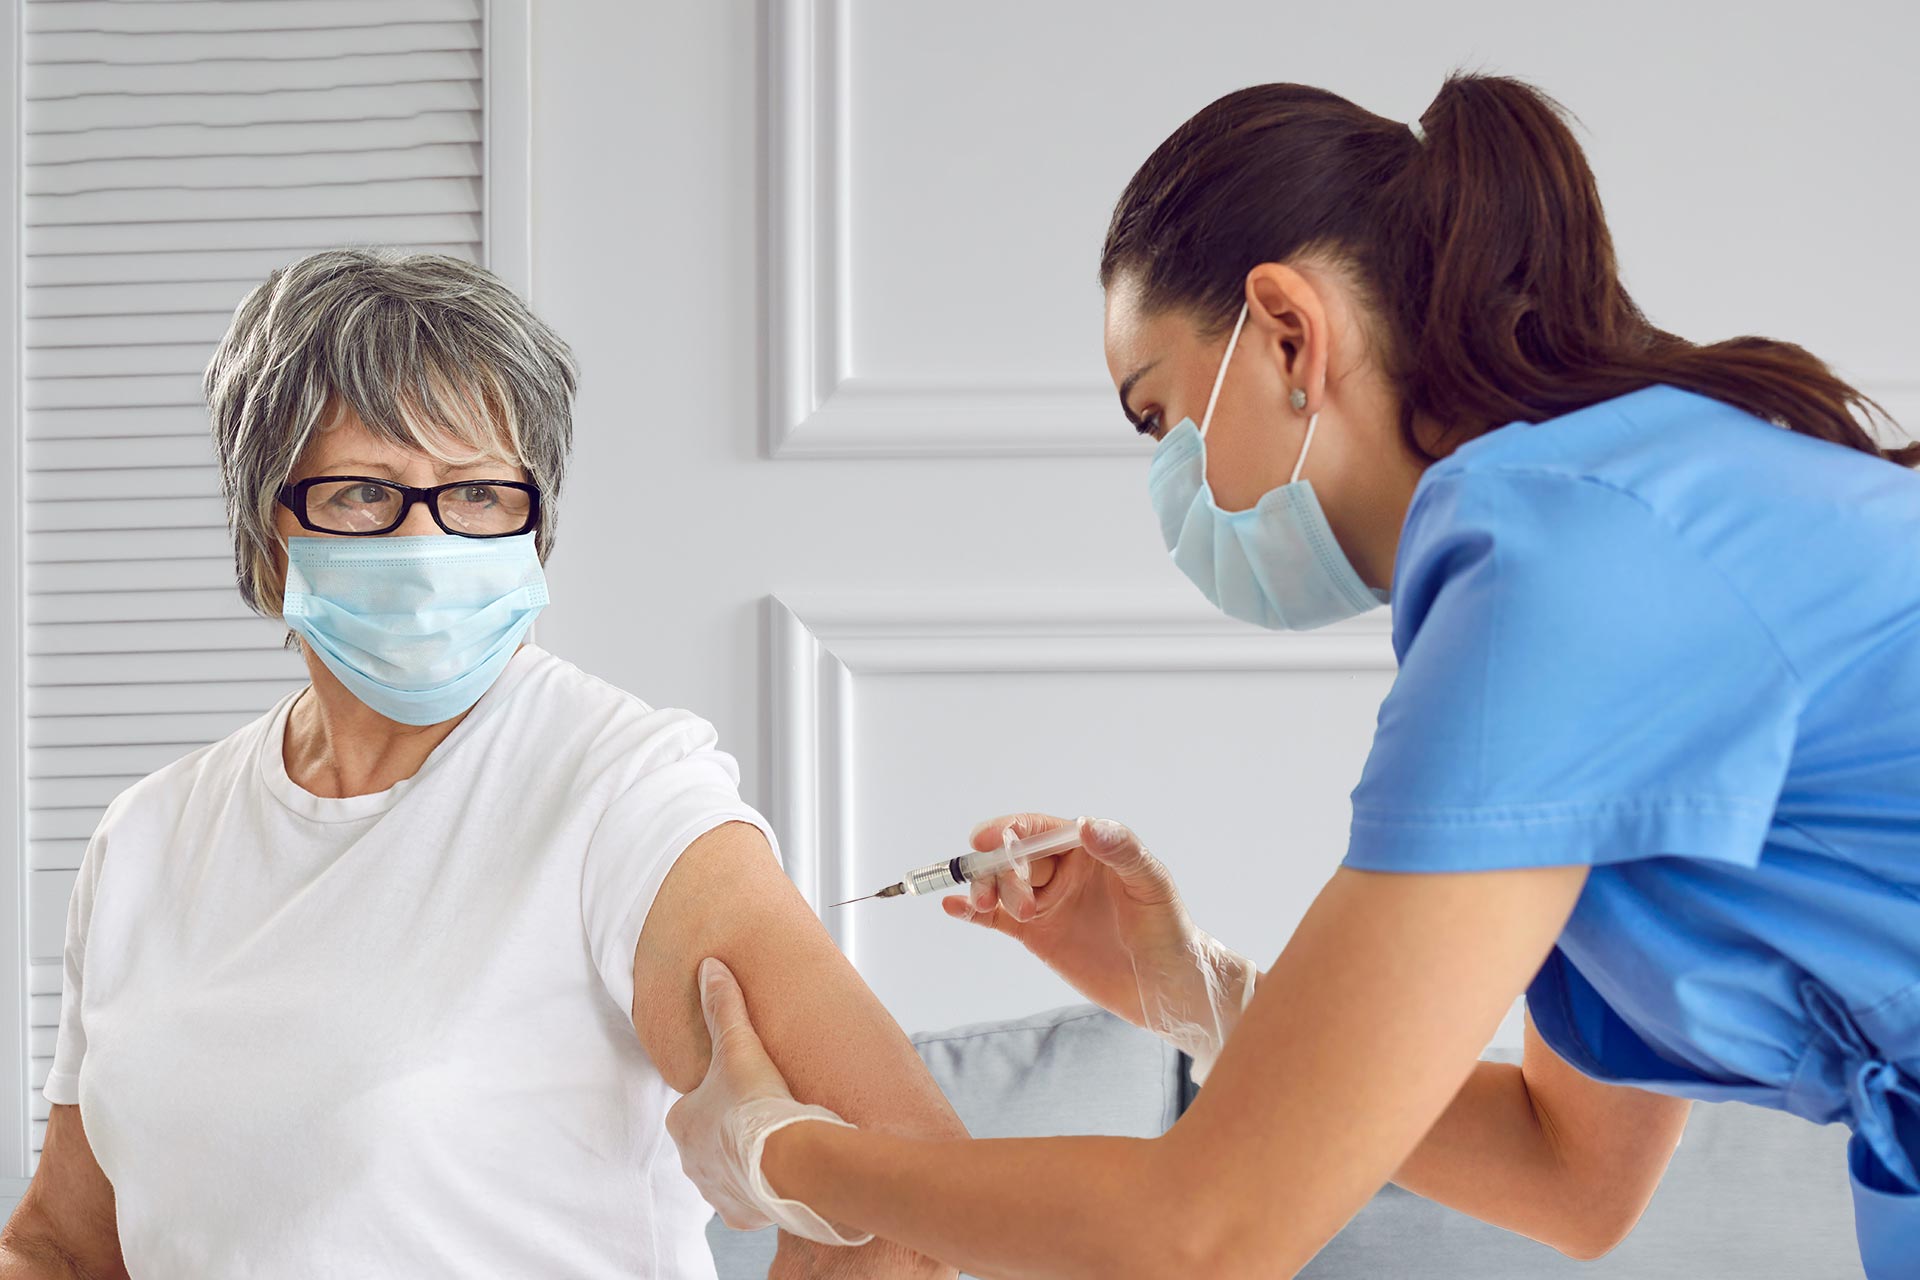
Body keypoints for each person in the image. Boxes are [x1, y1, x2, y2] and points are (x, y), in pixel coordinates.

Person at [664, 74, 1920, 1279]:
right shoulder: (1615, 510)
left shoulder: (1555, 570)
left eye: (1157, 418)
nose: (1173, 487)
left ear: (1285, 331)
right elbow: (1571, 1175)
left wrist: (790, 1156)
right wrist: (1196, 990)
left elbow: (1206, 1234)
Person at [0, 250, 963, 1279]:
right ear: (269, 527)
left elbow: (912, 1200)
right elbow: (65, 1243)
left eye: (478, 492)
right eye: (365, 491)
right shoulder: (148, 836)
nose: (428, 540)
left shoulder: (621, 797)